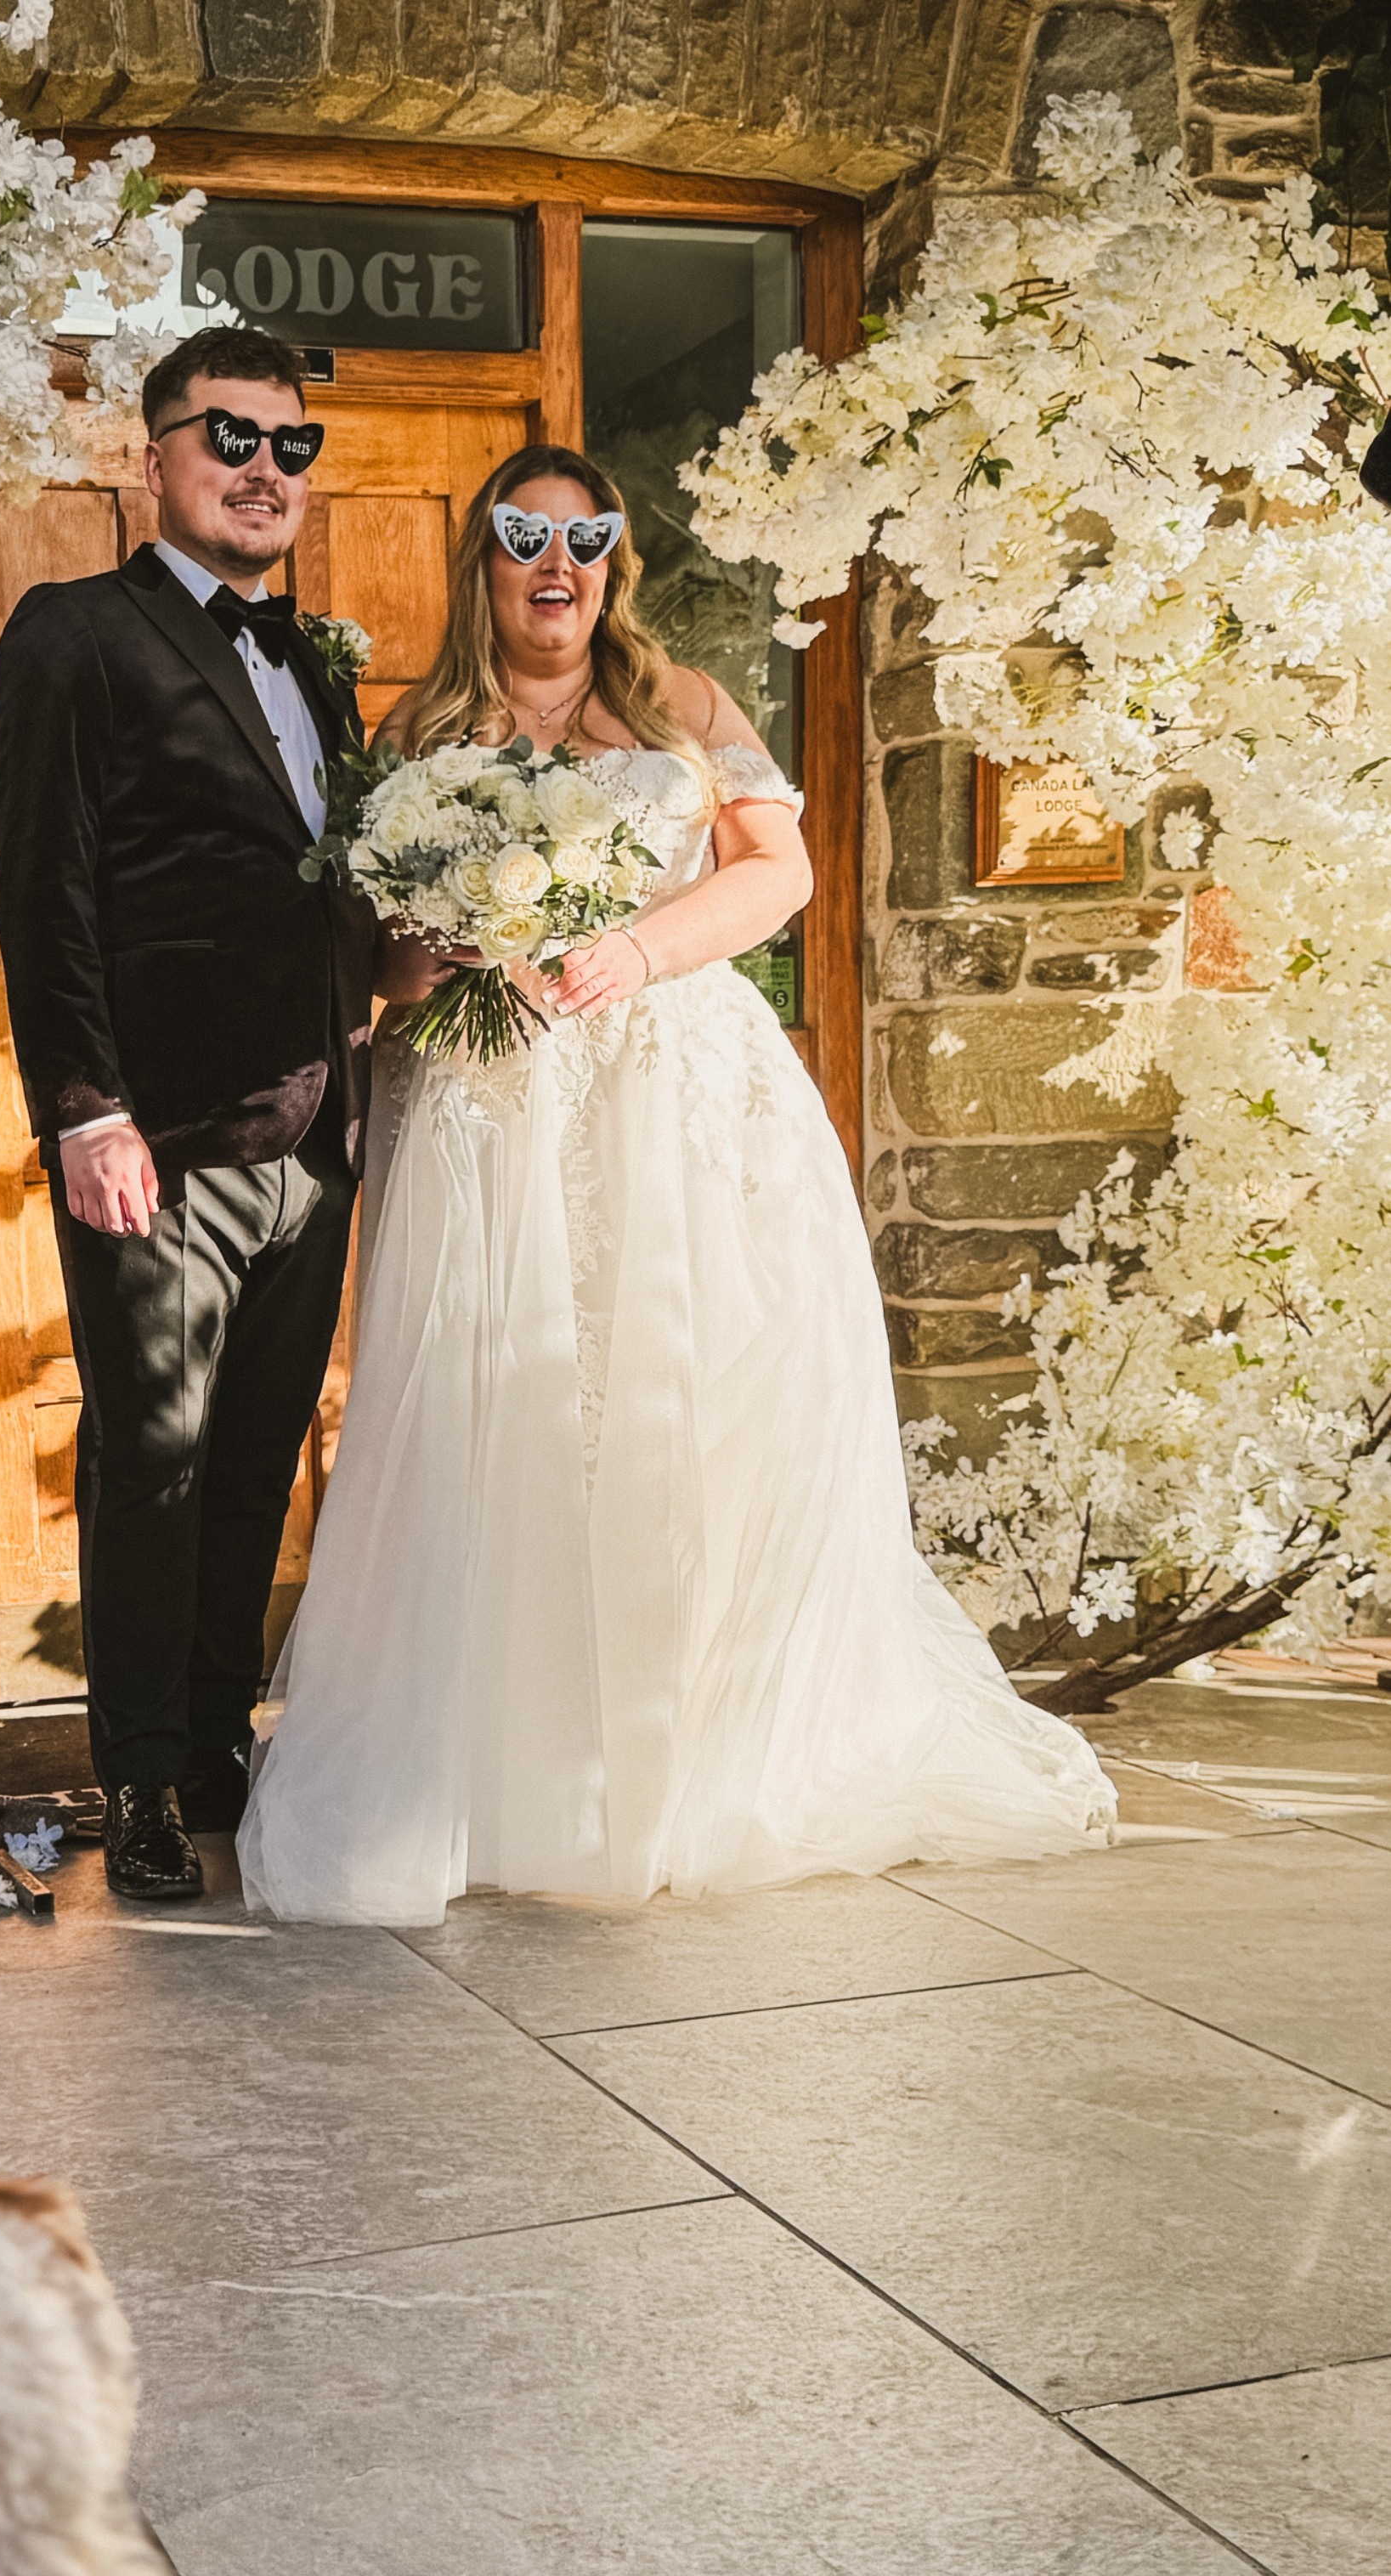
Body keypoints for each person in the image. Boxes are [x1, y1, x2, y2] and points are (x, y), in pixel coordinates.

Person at [238, 448, 1114, 1925]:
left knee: (675, 1400)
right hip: (486, 1099)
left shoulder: (683, 707)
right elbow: (378, 957)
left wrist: (633, 950)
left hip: (668, 1086)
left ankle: (683, 1758)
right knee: (492, 1412)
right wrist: (434, 951)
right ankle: (497, 1766)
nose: (556, 561)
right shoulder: (418, 726)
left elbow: (780, 877)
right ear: (488, 560)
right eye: (525, 534)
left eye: (586, 537)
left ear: (615, 563)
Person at [0, 327, 375, 1902]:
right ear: (151, 460)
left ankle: (218, 1748)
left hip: (320, 1132)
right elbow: (46, 886)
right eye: (230, 438)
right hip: (161, 1142)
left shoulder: (320, 663)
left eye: (290, 446)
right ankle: (139, 1778)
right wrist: (87, 1113)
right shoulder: (75, 632)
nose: (263, 469)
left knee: (259, 1458)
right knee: (152, 1457)